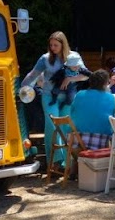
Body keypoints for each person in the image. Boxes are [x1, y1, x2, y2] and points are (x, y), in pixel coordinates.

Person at [21, 31, 89, 170]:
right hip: (49, 95)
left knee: (65, 127)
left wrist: (70, 78)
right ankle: (55, 160)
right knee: (52, 125)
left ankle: (66, 163)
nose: (53, 48)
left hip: (68, 97)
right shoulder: (45, 58)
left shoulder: (73, 57)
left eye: (56, 45)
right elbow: (33, 74)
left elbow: (85, 75)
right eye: (51, 45)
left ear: (63, 45)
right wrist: (22, 88)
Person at [71, 69, 115, 150]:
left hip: (76, 141)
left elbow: (72, 113)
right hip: (99, 143)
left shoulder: (79, 94)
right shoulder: (110, 97)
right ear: (105, 83)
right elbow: (111, 119)